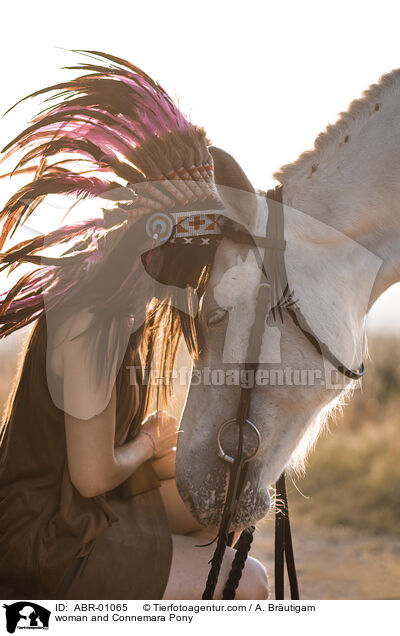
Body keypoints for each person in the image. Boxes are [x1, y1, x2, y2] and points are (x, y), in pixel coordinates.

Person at [0, 51, 269, 600]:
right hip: (50, 537)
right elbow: (93, 476)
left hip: (79, 514)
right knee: (250, 582)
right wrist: (148, 444)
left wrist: (171, 455)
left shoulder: (117, 306)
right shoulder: (90, 319)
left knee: (219, 507)